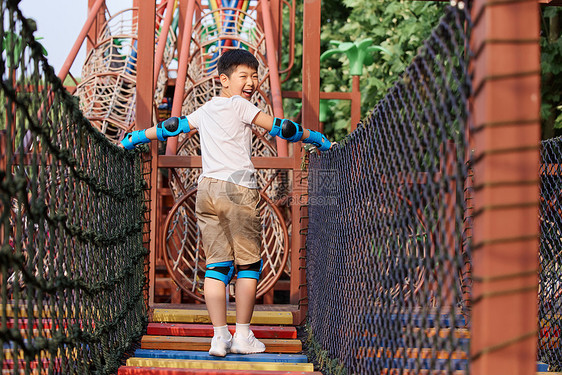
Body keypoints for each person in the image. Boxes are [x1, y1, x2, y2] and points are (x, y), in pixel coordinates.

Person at [120, 48, 332, 356]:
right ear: (224, 79)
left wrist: (135, 138)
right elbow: (279, 127)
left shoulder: (206, 110)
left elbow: (172, 127)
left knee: (216, 267)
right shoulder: (240, 105)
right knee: (248, 263)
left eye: (255, 76)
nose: (251, 82)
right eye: (243, 76)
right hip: (238, 190)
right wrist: (316, 138)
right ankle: (243, 335)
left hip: (206, 191)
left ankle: (219, 336)